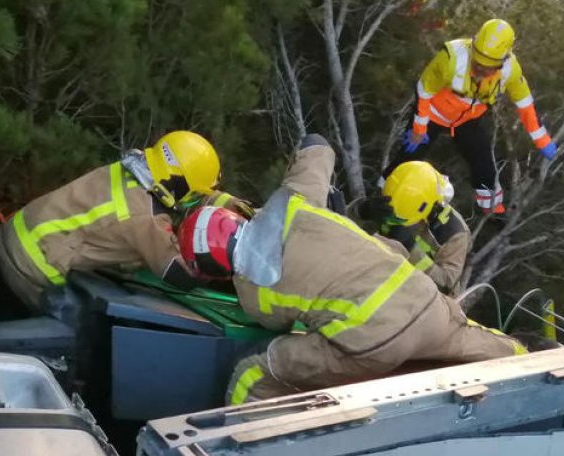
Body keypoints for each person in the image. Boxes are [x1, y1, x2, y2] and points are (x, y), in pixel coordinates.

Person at [179, 135, 527, 405]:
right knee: (472, 340)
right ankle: (528, 358)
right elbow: (317, 146)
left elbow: (280, 327)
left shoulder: (254, 294)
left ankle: (237, 447)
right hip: (423, 298)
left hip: (375, 341)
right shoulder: (295, 201)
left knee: (254, 370)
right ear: (236, 218)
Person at [0, 130, 230, 311]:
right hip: (30, 270)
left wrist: (225, 203)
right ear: (178, 184)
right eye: (195, 193)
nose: (194, 199)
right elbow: (181, 275)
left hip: (12, 235)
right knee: (91, 336)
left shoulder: (128, 169)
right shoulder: (144, 219)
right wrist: (227, 265)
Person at [384, 19, 557, 215]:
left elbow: (525, 104)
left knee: (482, 159)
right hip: (433, 113)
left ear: (503, 60)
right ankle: (384, 195)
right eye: (477, 63)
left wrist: (542, 140)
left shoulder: (510, 70)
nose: (480, 71)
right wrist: (419, 128)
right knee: (409, 156)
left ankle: (493, 208)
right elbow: (424, 91)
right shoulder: (451, 58)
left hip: (466, 120)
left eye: (488, 67)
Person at [356, 161, 470, 295]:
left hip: (418, 300)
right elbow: (341, 234)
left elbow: (446, 285)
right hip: (374, 277)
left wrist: (412, 250)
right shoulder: (391, 199)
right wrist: (360, 212)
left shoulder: (453, 232)